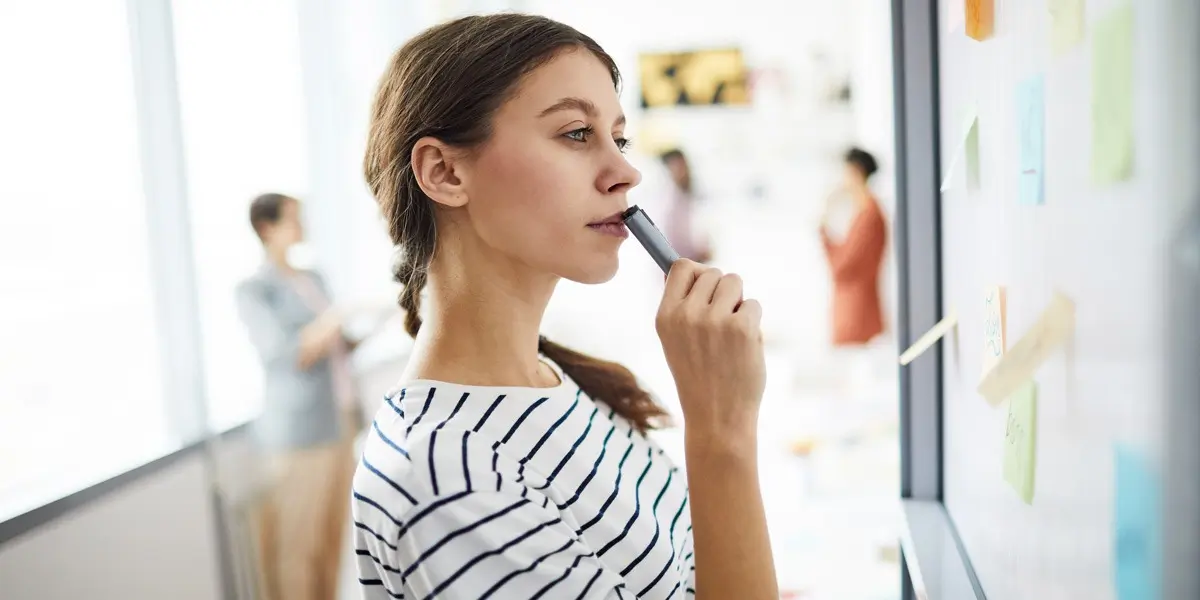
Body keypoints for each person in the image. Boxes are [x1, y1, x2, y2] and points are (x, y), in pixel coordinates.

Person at [352, 13, 778, 600]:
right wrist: (721, 434)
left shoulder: (553, 380)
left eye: (619, 138)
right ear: (445, 172)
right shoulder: (447, 475)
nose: (626, 172)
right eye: (577, 133)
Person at [235, 192, 361, 600]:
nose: (302, 226)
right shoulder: (255, 290)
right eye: (293, 219)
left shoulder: (315, 277)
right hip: (298, 435)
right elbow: (285, 354)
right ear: (266, 228)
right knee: (296, 548)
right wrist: (335, 319)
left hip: (339, 420)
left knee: (333, 542)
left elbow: (335, 346)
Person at [820, 147, 887, 347]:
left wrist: (824, 225)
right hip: (853, 313)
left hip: (857, 316)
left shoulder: (869, 216)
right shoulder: (863, 214)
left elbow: (842, 267)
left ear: (855, 171)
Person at [659, 148, 712, 264]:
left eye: (679, 164)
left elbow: (704, 223)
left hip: (695, 256)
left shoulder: (694, 191)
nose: (677, 169)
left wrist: (703, 248)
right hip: (677, 258)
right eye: (672, 166)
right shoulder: (668, 195)